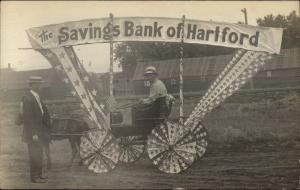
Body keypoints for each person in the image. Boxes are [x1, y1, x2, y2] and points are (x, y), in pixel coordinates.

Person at [22, 76, 51, 183]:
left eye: (40, 84)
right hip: (33, 133)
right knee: (34, 154)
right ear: (33, 85)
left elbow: (42, 113)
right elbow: (27, 118)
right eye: (38, 84)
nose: (40, 86)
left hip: (40, 131)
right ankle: (34, 177)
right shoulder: (27, 98)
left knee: (39, 154)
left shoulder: (37, 97)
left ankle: (39, 175)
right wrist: (33, 133)